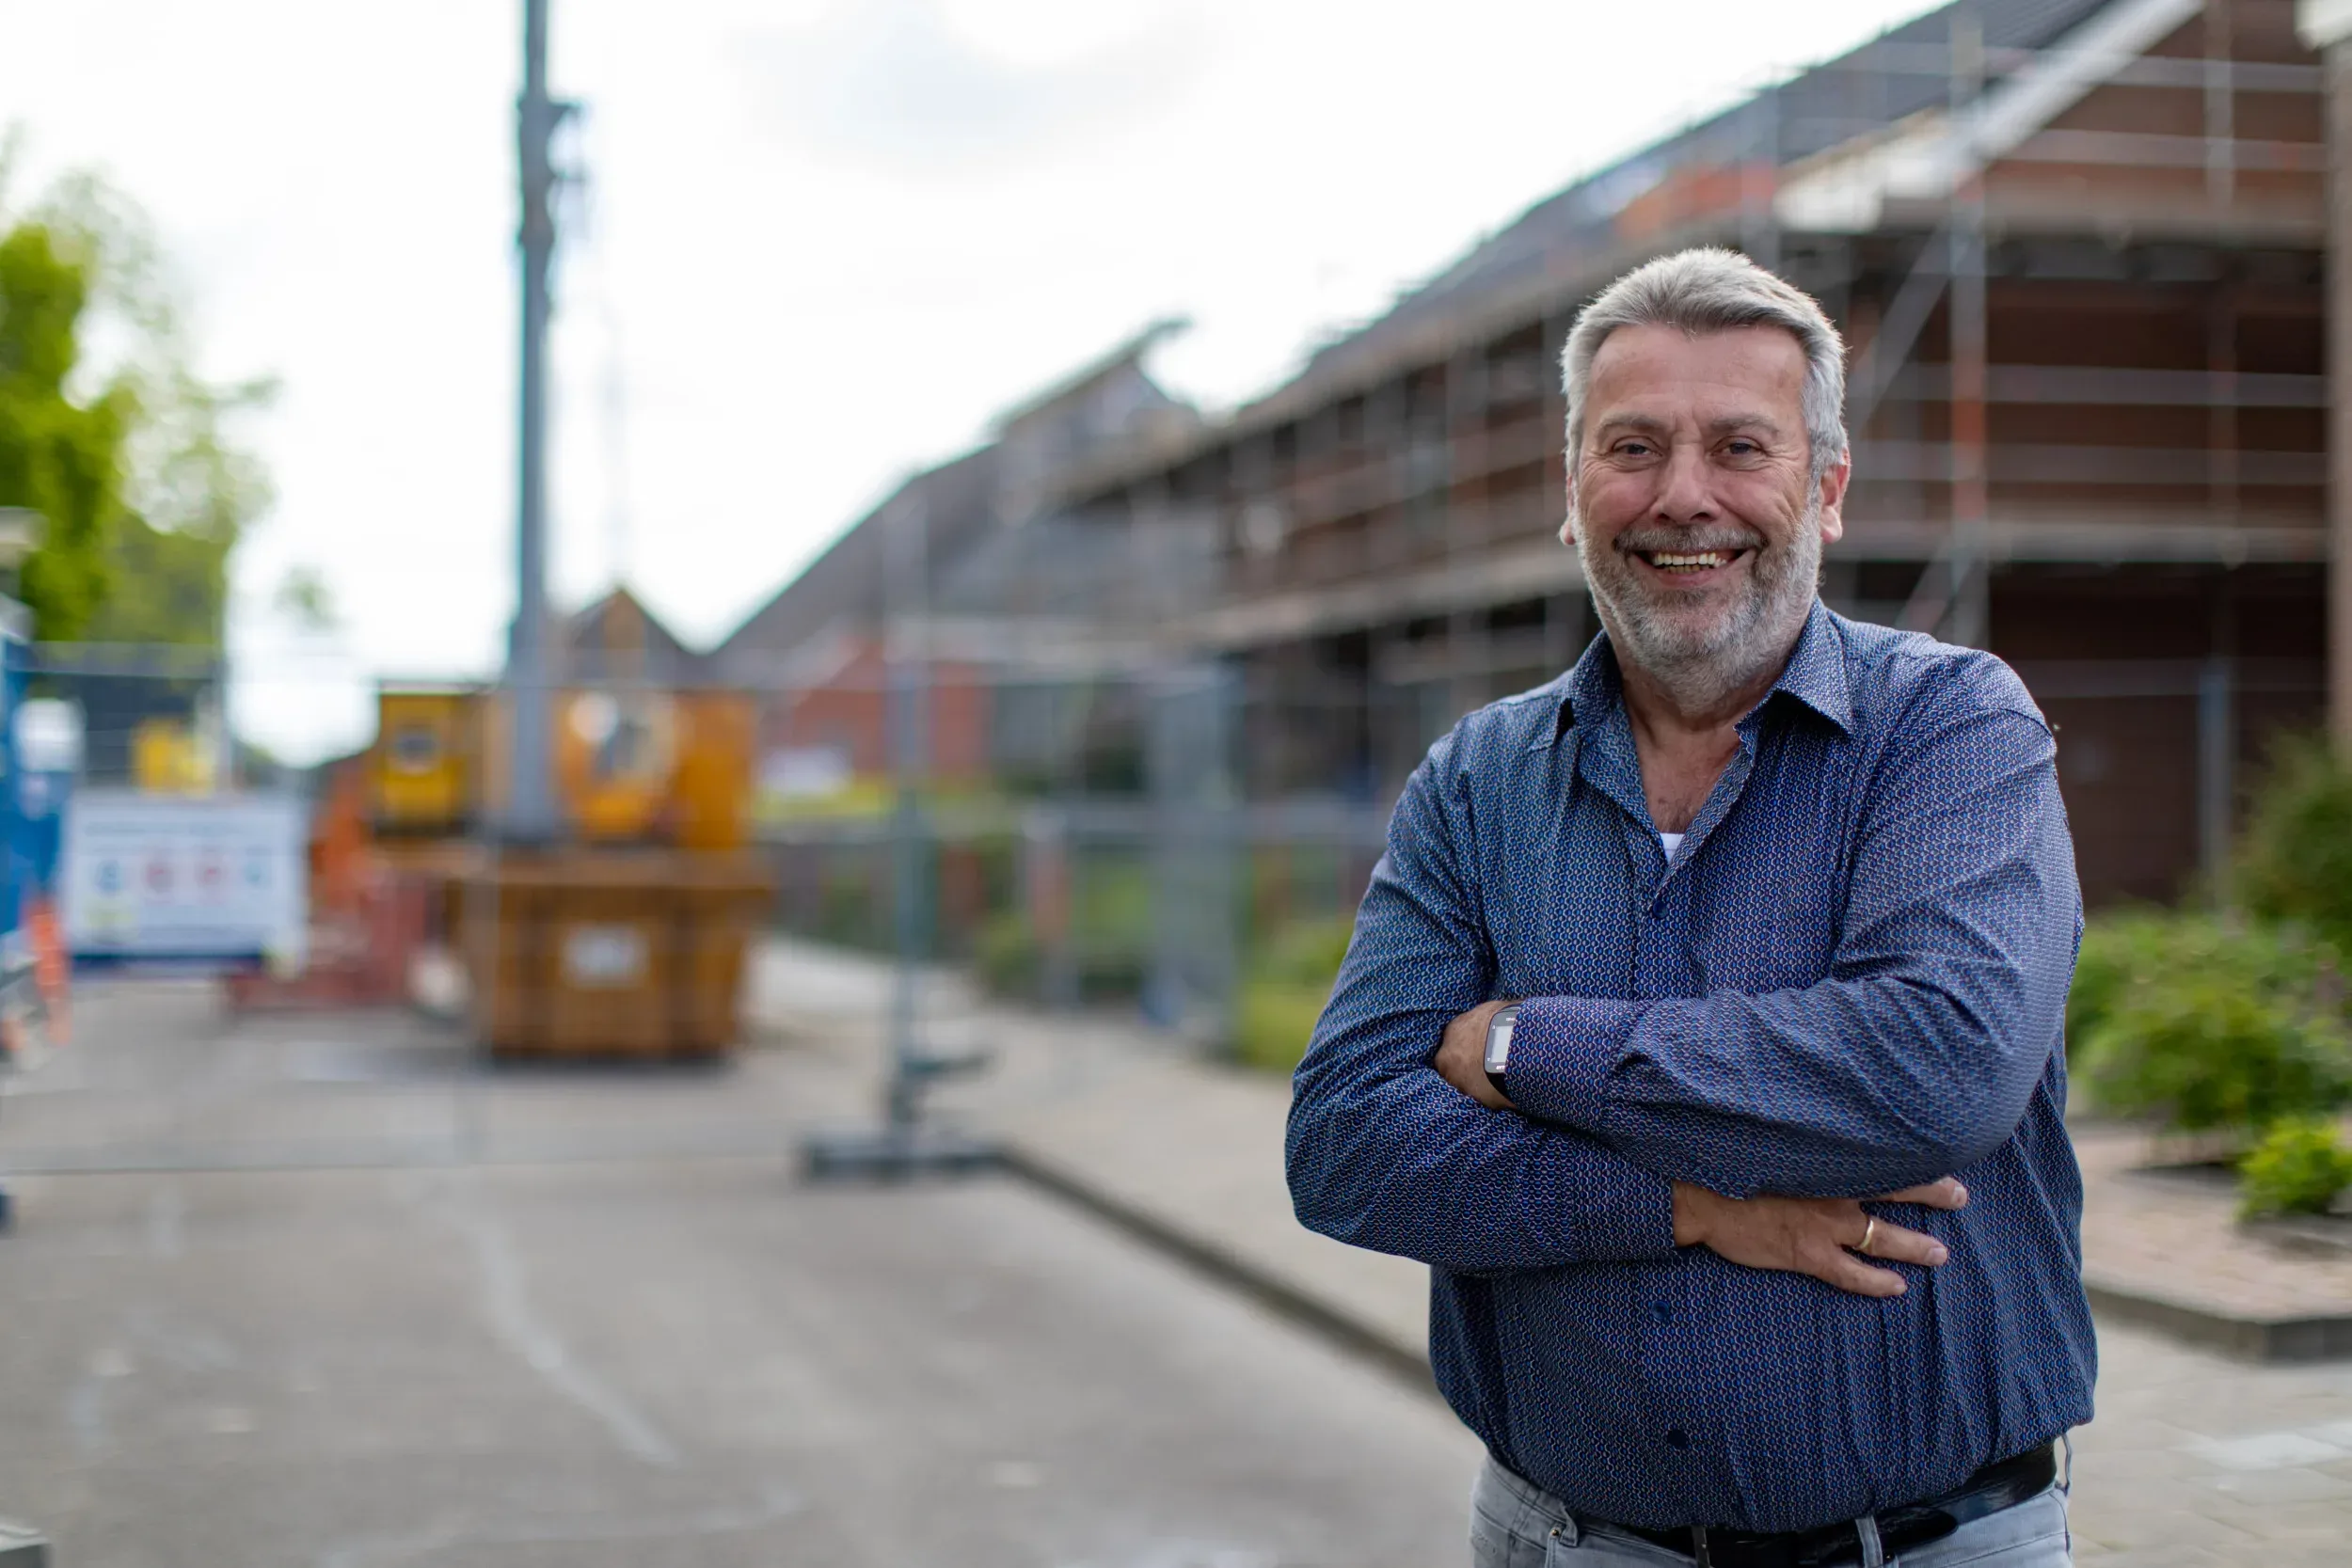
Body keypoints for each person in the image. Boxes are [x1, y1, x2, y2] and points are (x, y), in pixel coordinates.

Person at [1285, 247, 2092, 1568]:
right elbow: (1345, 1143)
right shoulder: (1479, 781)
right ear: (1572, 492)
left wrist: (1512, 1046)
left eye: (1739, 445)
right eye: (1634, 447)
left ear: (1825, 488)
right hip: (1566, 1539)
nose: (1683, 497)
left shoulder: (1949, 729)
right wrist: (1697, 1205)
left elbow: (1935, 1070)